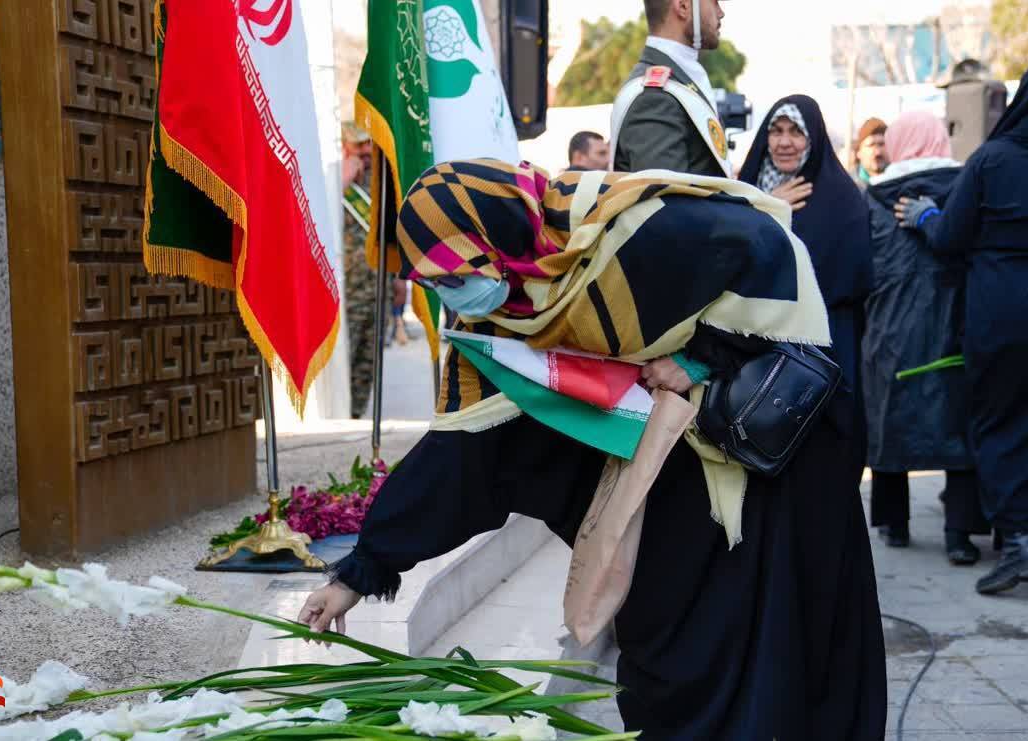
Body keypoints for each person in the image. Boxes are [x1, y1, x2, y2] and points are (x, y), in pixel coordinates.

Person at [298, 2, 888, 737]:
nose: (460, 291)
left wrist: (698, 358)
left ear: (495, 233)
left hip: (767, 467)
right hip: (674, 494)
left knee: (780, 657)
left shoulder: (619, 229)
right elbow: (463, 452)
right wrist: (361, 570)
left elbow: (767, 253)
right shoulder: (510, 310)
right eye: (442, 279)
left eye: (459, 269)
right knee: (673, 665)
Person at [897, 57, 1028, 595]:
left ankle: (1016, 539)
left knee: (995, 426)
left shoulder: (993, 159)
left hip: (1002, 316)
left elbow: (950, 237)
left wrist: (924, 215)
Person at [860, 111, 988, 562]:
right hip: (955, 323)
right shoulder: (965, 188)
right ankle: (959, 534)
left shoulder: (873, 198)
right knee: (959, 424)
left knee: (889, 419)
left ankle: (894, 523)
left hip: (889, 328)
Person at [739, 95, 875, 517]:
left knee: (820, 480)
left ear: (813, 138)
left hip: (824, 357)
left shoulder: (840, 200)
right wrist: (766, 208)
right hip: (756, 356)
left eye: (795, 132)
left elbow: (849, 279)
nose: (784, 142)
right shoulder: (749, 192)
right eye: (776, 131)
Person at [610, 0, 732, 178]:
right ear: (683, 6)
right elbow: (665, 194)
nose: (721, 13)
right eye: (714, 2)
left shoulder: (679, 76)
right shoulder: (654, 97)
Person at [340, 123, 384, 419]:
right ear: (344, 146)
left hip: (376, 284)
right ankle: (340, 414)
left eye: (370, 144)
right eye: (359, 145)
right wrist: (342, 179)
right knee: (345, 354)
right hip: (346, 289)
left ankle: (356, 416)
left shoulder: (377, 181)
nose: (367, 151)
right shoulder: (333, 177)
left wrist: (397, 282)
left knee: (369, 359)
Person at [851, 117, 888, 184]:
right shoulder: (846, 185)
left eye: (881, 144)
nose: (878, 152)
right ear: (859, 152)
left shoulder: (901, 184)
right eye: (871, 145)